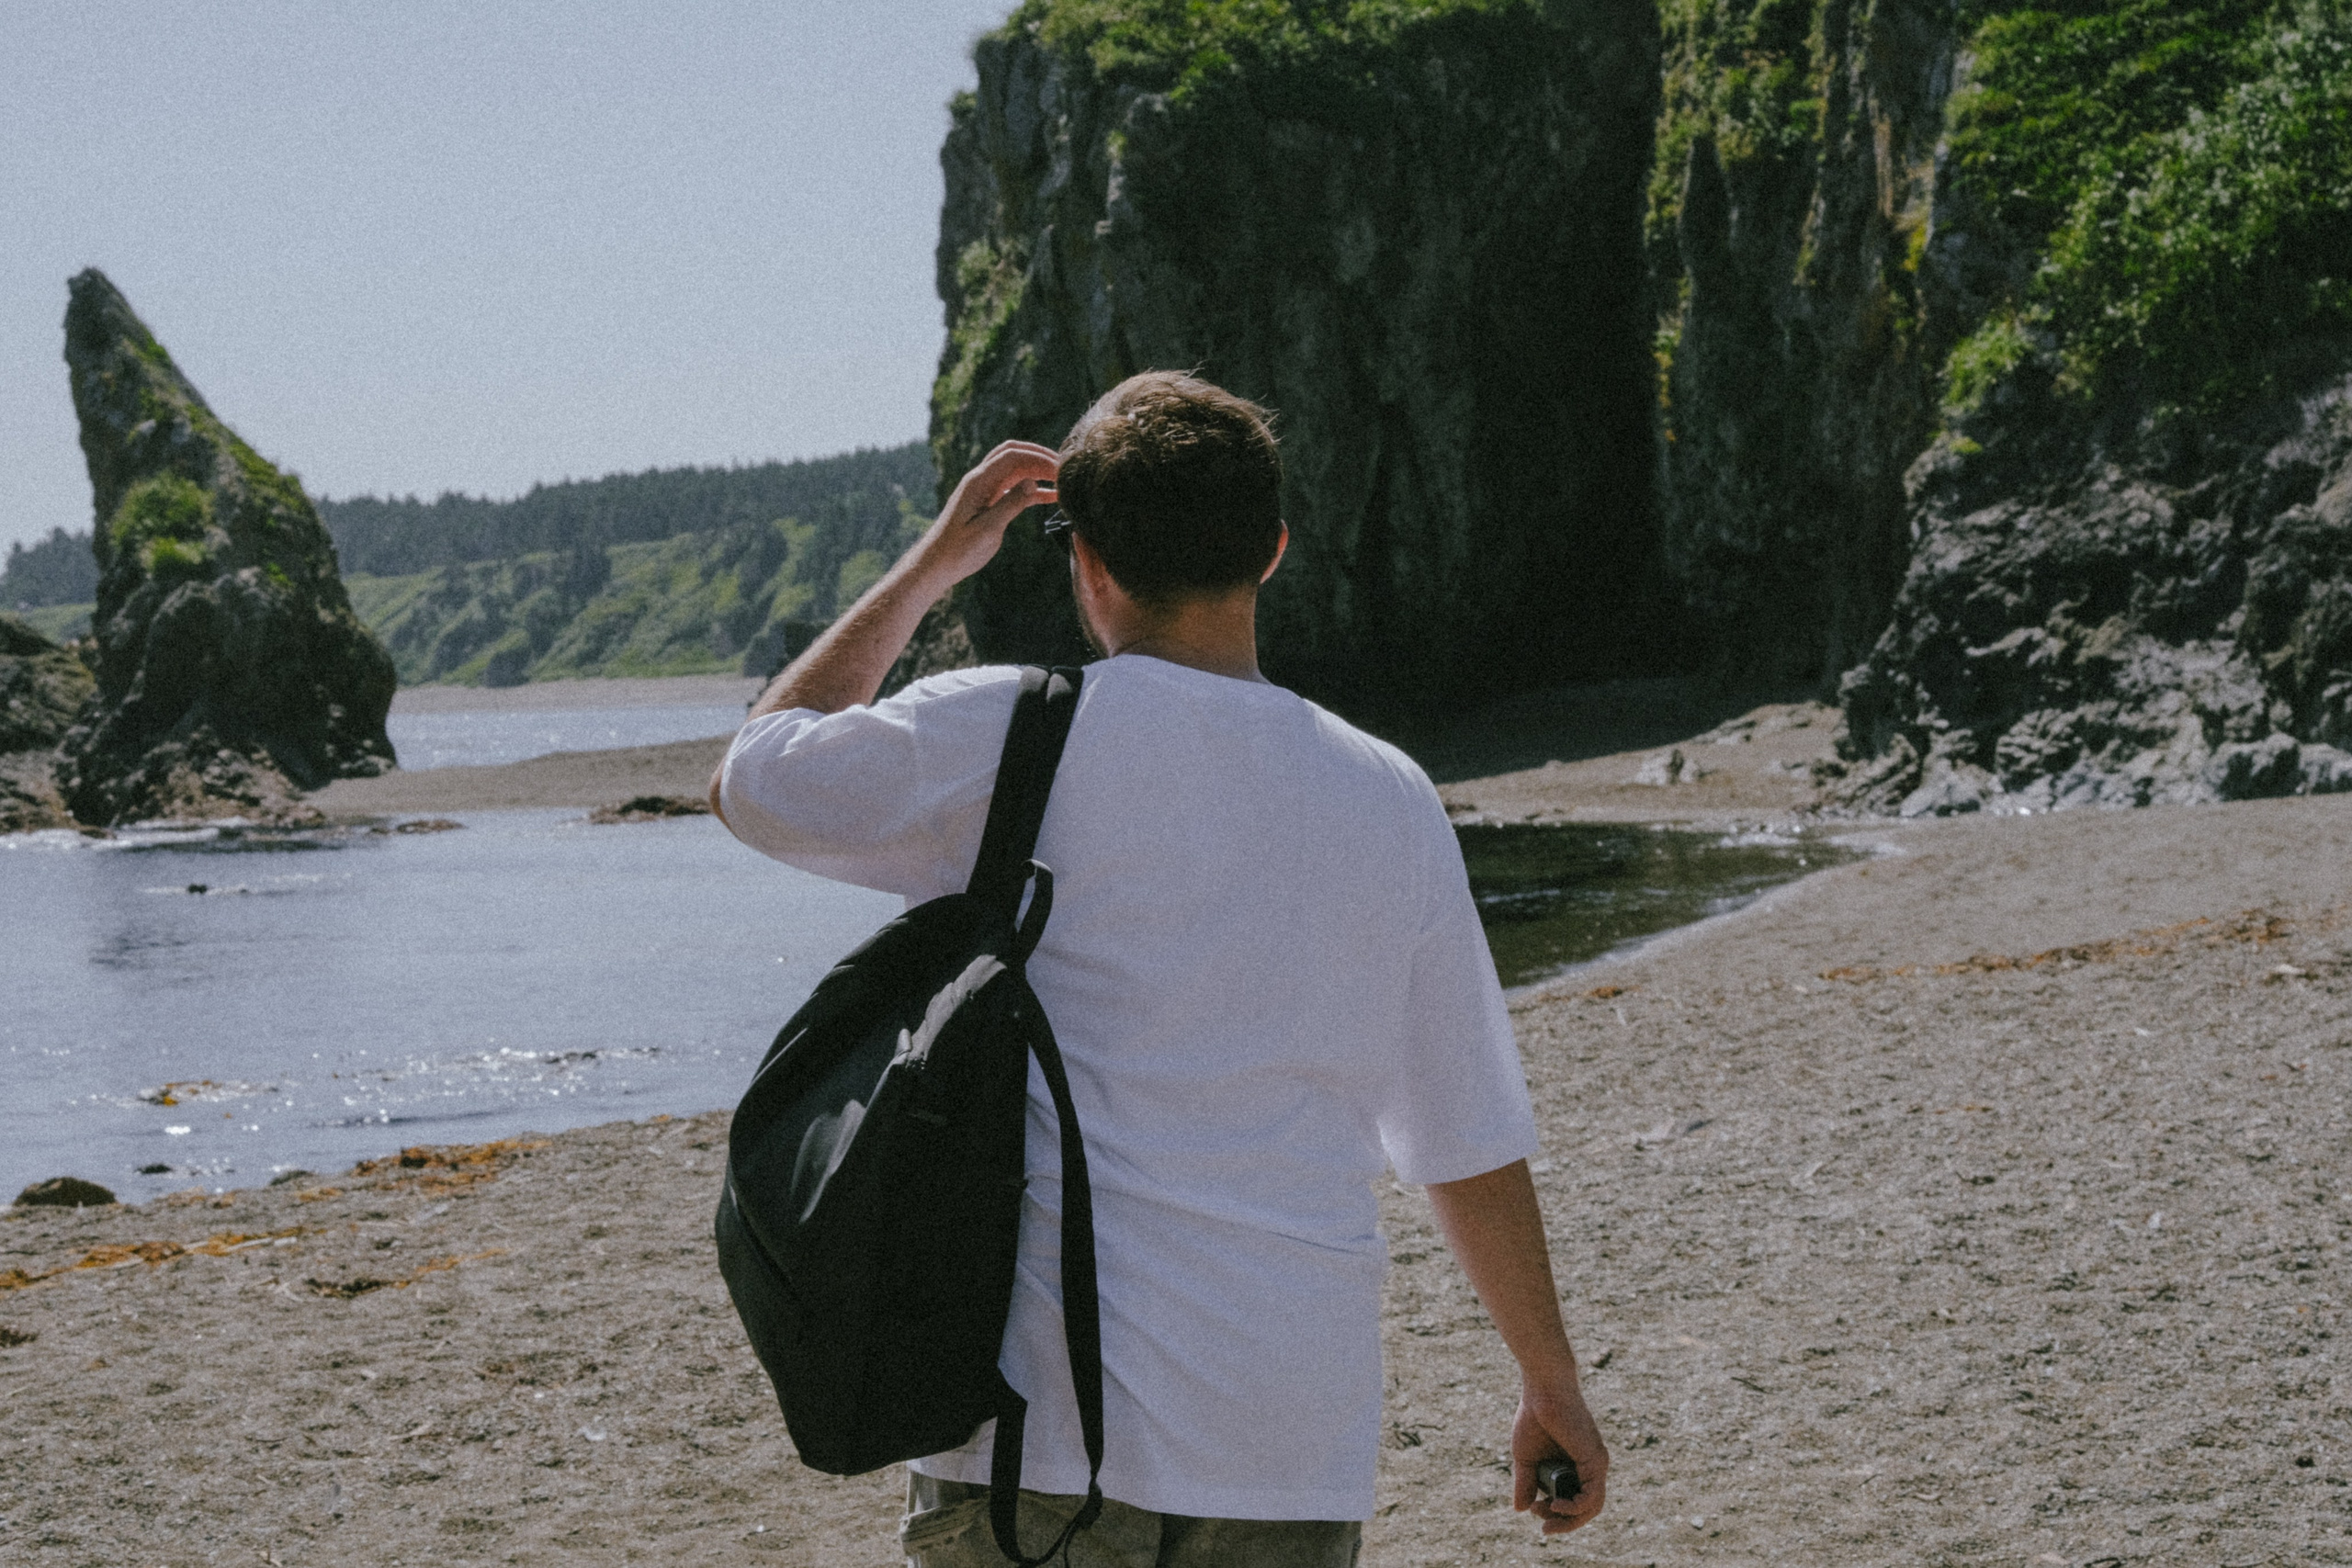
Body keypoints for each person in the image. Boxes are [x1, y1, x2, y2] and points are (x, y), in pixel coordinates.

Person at [710, 372, 1607, 1566]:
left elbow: (756, 774)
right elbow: (1464, 1132)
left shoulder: (1009, 735)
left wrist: (934, 565)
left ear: (1084, 561)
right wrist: (1551, 1381)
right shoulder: (1387, 796)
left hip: (1042, 1443)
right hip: (1288, 1448)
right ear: (1273, 551)